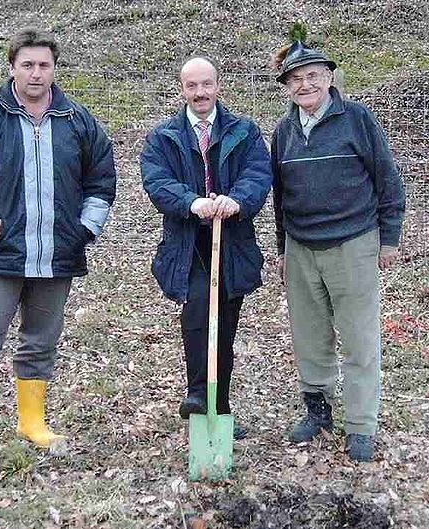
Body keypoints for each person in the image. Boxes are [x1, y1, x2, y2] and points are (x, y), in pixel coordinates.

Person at [0, 28, 116, 462]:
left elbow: (102, 179)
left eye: (44, 65)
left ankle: (32, 421)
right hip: (0, 255)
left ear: (55, 68)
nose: (37, 73)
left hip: (57, 256)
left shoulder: (79, 121)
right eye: (28, 65)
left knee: (41, 339)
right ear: (12, 67)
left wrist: (84, 230)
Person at [270, 41, 405, 462]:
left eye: (313, 75)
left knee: (360, 339)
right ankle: (318, 411)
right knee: (310, 338)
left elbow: (387, 178)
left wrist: (390, 238)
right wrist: (282, 249)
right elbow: (279, 197)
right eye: (296, 78)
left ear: (329, 77)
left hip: (354, 242)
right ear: (287, 87)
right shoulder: (283, 131)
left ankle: (361, 425)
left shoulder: (357, 119)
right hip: (301, 246)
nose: (305, 84)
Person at [141, 56, 272, 439]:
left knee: (225, 326)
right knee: (199, 311)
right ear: (182, 89)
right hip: (187, 242)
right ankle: (199, 393)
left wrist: (236, 200)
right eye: (192, 86)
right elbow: (157, 180)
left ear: (218, 85)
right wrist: (191, 202)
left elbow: (258, 174)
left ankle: (219, 409)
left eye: (206, 84)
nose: (200, 93)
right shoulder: (164, 137)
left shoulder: (244, 132)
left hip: (232, 241)